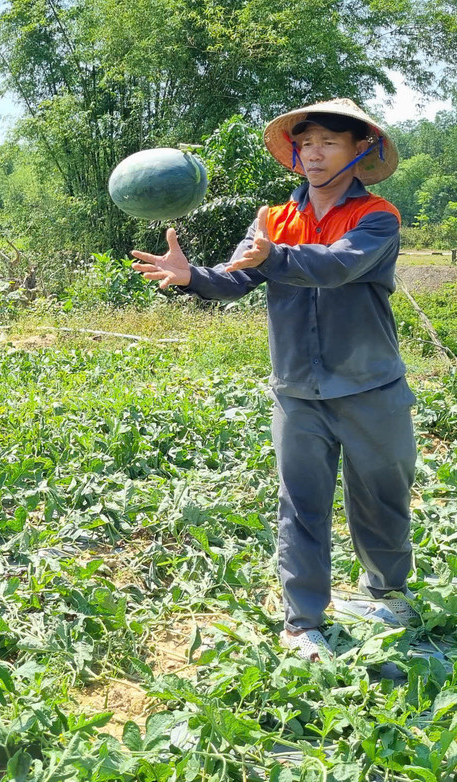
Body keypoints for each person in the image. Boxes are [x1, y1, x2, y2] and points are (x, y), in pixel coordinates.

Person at [129, 99, 417, 660]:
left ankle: (388, 593)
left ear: (362, 151)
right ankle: (302, 622)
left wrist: (273, 257)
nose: (314, 153)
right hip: (296, 391)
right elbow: (237, 279)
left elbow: (335, 267)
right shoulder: (273, 220)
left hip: (370, 386)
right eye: (306, 142)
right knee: (300, 504)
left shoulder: (377, 216)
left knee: (381, 498)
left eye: (329, 142)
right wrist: (193, 276)